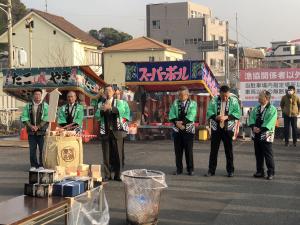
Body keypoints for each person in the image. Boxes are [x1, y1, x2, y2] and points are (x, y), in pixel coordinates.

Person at [95, 84, 130, 181]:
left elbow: (122, 111)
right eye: (106, 90)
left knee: (118, 153)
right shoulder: (100, 103)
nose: (108, 92)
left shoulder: (120, 102)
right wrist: (102, 110)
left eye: (110, 90)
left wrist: (110, 108)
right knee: (106, 155)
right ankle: (107, 174)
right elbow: (97, 116)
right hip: (105, 131)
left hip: (117, 131)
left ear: (114, 92)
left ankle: (118, 175)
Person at [205, 85, 241, 177]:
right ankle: (211, 170)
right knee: (214, 150)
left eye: (226, 95)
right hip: (216, 127)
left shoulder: (233, 100)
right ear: (219, 93)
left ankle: (230, 170)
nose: (225, 97)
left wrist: (227, 117)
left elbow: (238, 113)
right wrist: (215, 116)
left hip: (228, 128)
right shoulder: (214, 100)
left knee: (228, 150)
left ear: (229, 94)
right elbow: (209, 112)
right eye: (223, 96)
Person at [168, 86, 197, 176]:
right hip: (177, 129)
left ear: (187, 95)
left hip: (188, 129)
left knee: (189, 150)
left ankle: (190, 169)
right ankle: (179, 169)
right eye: (179, 95)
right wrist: (176, 122)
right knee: (178, 151)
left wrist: (182, 122)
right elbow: (171, 114)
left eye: (182, 95)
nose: (180, 97)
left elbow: (192, 114)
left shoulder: (193, 103)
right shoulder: (175, 103)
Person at [248, 91, 277, 180]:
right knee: (258, 153)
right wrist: (253, 127)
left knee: (268, 154)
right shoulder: (256, 108)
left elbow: (271, 122)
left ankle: (271, 172)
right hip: (256, 133)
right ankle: (260, 171)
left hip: (266, 133)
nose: (258, 97)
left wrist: (261, 129)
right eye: (259, 95)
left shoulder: (272, 109)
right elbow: (251, 117)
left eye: (260, 96)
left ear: (266, 98)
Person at [21, 88, 49, 170]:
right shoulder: (28, 105)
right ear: (33, 96)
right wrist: (31, 126)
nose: (37, 96)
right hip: (31, 132)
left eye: (39, 94)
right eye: (36, 94)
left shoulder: (45, 106)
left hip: (42, 132)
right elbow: (24, 117)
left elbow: (47, 117)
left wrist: (39, 126)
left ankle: (41, 165)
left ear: (41, 96)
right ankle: (33, 165)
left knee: (42, 149)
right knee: (32, 150)